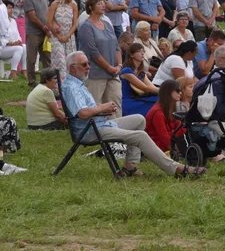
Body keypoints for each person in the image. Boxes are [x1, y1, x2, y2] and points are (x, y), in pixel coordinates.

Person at [63, 51, 204, 178]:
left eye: (88, 63)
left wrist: (102, 107)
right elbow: (82, 113)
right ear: (73, 68)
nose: (88, 66)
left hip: (98, 124)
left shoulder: (78, 85)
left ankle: (130, 166)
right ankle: (175, 168)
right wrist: (102, 108)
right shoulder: (71, 88)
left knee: (139, 119)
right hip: (90, 130)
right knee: (140, 136)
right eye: (84, 64)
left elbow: (86, 108)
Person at [77, 0, 122, 113]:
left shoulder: (107, 23)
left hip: (113, 72)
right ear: (91, 7)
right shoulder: (86, 26)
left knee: (115, 103)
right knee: (96, 103)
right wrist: (108, 67)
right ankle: (98, 130)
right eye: (99, 4)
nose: (103, 5)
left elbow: (116, 46)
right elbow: (93, 52)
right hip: (96, 73)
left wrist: (119, 65)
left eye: (104, 3)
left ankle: (117, 130)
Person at [46, 0, 79, 80]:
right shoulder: (55, 4)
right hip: (57, 36)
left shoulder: (73, 5)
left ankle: (69, 84)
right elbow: (49, 21)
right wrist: (57, 35)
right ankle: (58, 85)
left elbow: (75, 23)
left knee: (70, 62)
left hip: (69, 37)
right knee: (60, 61)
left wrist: (68, 35)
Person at [119, 42, 159, 117]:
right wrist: (165, 90)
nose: (142, 53)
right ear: (131, 55)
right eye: (139, 51)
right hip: (127, 101)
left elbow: (152, 87)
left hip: (137, 99)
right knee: (157, 101)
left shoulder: (141, 73)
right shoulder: (126, 71)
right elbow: (145, 88)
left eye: (143, 51)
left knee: (160, 98)